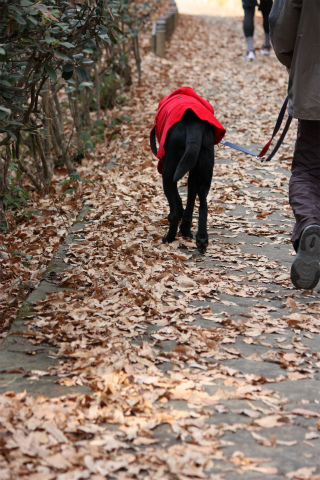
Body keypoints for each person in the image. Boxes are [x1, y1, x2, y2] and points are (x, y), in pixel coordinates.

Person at [269, 0, 320, 290]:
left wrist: (298, 62)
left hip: (315, 86)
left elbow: (281, 26)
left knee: (308, 171)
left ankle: (311, 224)